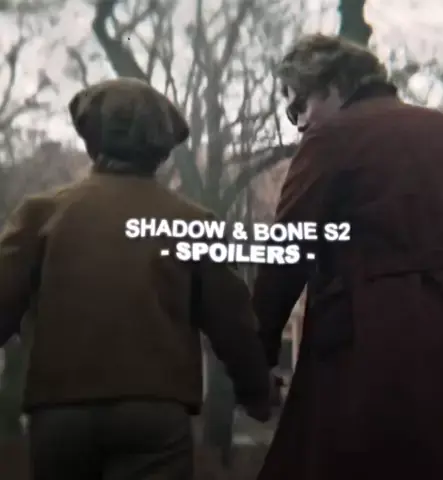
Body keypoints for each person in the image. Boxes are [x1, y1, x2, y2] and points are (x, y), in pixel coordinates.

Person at [0, 78, 273, 480]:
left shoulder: (41, 215)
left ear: (92, 141)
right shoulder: (193, 223)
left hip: (60, 410)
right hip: (154, 412)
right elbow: (232, 322)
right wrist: (257, 393)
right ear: (162, 149)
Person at [252, 33, 443, 480]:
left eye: (298, 107)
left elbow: (288, 250)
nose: (298, 124)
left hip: (369, 342)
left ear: (332, 85)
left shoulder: (333, 138)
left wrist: (256, 353)